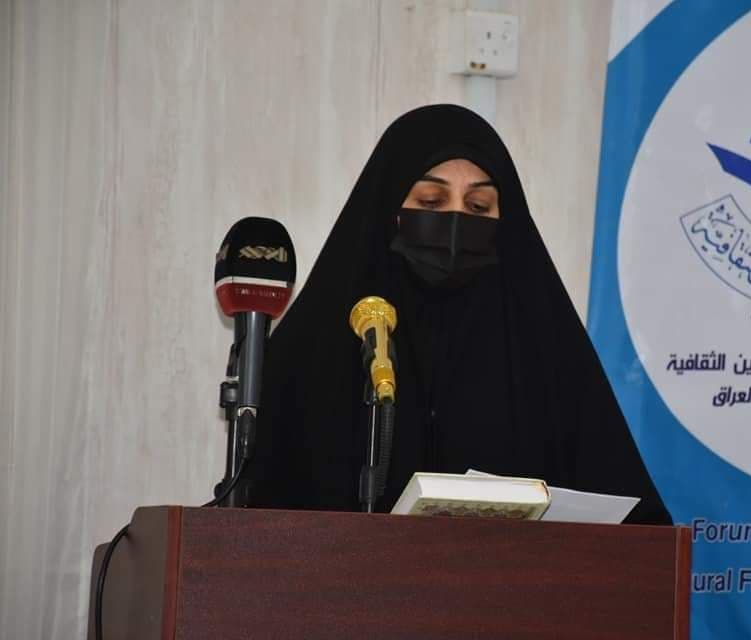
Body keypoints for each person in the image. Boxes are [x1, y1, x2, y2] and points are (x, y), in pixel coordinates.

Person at [249, 104, 672, 525]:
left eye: (478, 207)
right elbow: (259, 518)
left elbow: (636, 523)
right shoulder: (318, 348)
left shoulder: (544, 349)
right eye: (431, 201)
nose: (455, 223)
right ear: (387, 211)